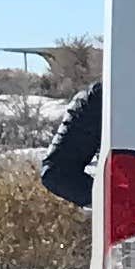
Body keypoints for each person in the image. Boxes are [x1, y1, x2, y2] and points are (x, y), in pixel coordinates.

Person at [38, 81, 99, 211]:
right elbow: (56, 174)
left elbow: (55, 174)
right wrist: (112, 202)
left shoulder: (101, 97)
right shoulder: (101, 98)